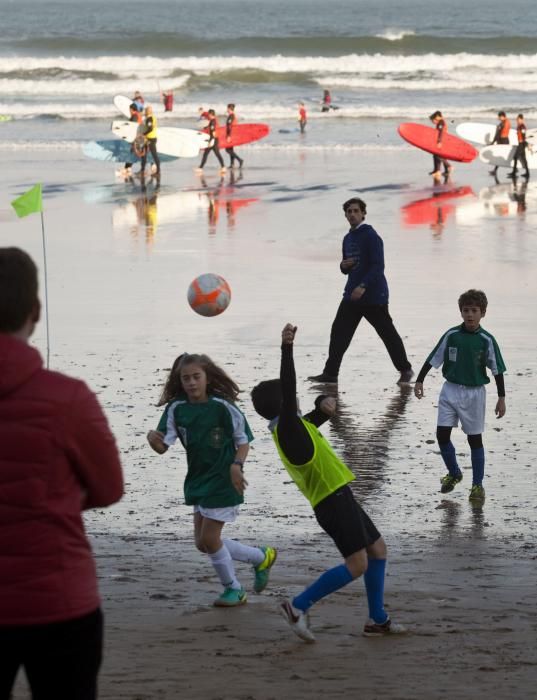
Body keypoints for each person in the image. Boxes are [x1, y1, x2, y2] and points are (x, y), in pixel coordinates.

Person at [0, 247, 124, 699]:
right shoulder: (68, 399)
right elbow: (109, 489)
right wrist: (53, 497)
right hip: (59, 601)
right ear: (34, 311)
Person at [251, 323, 406, 642]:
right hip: (331, 503)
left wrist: (323, 405)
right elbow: (292, 391)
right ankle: (297, 605)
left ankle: (377, 619)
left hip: (341, 497)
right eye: (288, 394)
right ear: (283, 404)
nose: (293, 396)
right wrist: (287, 348)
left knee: (378, 550)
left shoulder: (292, 429)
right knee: (358, 564)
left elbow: (313, 420)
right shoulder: (288, 430)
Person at [146, 353, 276, 607]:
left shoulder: (223, 406)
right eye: (186, 378)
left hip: (224, 479)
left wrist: (237, 466)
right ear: (179, 381)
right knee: (202, 543)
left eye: (196, 377)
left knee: (210, 539)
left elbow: (243, 441)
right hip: (197, 479)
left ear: (207, 378)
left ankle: (234, 589)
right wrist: (153, 440)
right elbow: (164, 447)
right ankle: (260, 557)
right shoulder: (177, 409)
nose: (192, 383)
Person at [308, 197, 413, 386]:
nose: (352, 214)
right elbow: (347, 266)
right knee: (339, 332)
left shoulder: (371, 236)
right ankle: (330, 374)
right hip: (352, 296)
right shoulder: (348, 238)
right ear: (345, 215)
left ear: (363, 214)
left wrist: (363, 286)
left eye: (356, 211)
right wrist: (343, 266)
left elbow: (378, 266)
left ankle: (405, 370)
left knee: (387, 333)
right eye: (349, 211)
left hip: (374, 296)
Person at [414, 289, 506, 503]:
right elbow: (433, 358)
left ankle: (477, 485)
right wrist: (419, 380)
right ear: (461, 312)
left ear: (483, 313)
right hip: (450, 390)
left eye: (474, 311)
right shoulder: (452, 335)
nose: (470, 315)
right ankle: (454, 472)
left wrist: (501, 398)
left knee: (474, 439)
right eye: (466, 310)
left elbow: (497, 370)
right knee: (442, 435)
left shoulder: (486, 340)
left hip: (474, 394)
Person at [429, 111, 452, 181]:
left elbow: (441, 132)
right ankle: (439, 170)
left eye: (433, 120)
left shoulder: (441, 123)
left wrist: (439, 142)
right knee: (437, 155)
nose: (432, 122)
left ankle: (448, 166)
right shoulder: (441, 122)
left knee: (438, 155)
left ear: (436, 118)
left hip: (442, 141)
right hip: (443, 140)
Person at [139, 104, 160, 177]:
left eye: (146, 110)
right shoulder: (152, 117)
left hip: (150, 139)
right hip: (150, 138)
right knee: (143, 154)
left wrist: (143, 134)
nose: (145, 111)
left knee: (154, 155)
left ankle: (158, 172)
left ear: (148, 111)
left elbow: (150, 128)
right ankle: (142, 170)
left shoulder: (149, 119)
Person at [123, 102, 142, 176]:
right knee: (134, 153)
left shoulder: (134, 116)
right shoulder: (138, 115)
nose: (129, 111)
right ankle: (128, 168)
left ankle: (127, 169)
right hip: (138, 137)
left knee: (133, 153)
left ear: (132, 109)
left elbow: (132, 127)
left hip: (136, 138)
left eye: (129, 110)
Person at [490, 111, 511, 178]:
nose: (498, 118)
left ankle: (495, 170)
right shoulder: (507, 122)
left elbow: (498, 134)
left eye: (499, 117)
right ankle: (495, 170)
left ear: (502, 116)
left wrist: (493, 142)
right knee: (507, 155)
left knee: (500, 155)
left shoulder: (502, 124)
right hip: (506, 140)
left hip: (503, 141)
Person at [508, 113, 530, 180]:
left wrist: (527, 144)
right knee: (523, 159)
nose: (517, 121)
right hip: (520, 144)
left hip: (521, 144)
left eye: (518, 119)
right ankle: (527, 173)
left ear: (522, 119)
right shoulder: (519, 126)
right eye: (517, 120)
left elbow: (524, 137)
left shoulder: (522, 126)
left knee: (515, 157)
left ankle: (514, 173)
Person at [225, 103, 243, 169]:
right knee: (230, 149)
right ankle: (232, 164)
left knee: (228, 150)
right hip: (232, 134)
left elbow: (230, 127)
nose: (226, 109)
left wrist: (229, 136)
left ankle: (240, 160)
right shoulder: (232, 116)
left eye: (227, 108)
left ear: (229, 109)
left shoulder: (231, 116)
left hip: (231, 135)